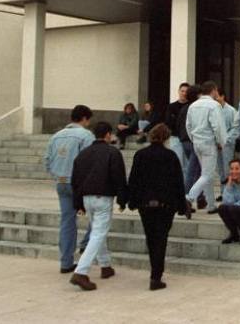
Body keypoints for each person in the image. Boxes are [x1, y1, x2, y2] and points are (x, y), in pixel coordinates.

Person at [126, 123, 186, 291]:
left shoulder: (140, 155)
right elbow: (178, 182)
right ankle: (156, 275)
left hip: (145, 205)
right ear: (166, 138)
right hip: (165, 205)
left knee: (151, 237)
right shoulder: (170, 156)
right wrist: (182, 205)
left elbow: (134, 180)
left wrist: (131, 201)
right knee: (161, 238)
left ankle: (155, 271)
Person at [69, 121, 129, 291]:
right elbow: (119, 177)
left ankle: (105, 265)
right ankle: (81, 272)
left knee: (97, 230)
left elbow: (76, 180)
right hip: (103, 197)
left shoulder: (83, 154)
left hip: (86, 198)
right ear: (108, 134)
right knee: (98, 233)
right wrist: (122, 199)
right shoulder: (113, 152)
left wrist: (78, 203)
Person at [43, 104, 94, 274]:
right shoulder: (86, 135)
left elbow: (47, 160)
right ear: (85, 118)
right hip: (79, 183)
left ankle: (66, 262)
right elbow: (89, 160)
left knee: (67, 221)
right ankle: (86, 244)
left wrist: (58, 174)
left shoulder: (56, 136)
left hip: (61, 181)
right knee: (96, 215)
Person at [185, 81, 227, 214]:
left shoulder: (193, 106)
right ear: (213, 90)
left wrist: (193, 139)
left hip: (197, 143)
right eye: (216, 91)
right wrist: (221, 142)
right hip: (209, 143)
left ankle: (211, 205)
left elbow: (188, 126)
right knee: (207, 175)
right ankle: (189, 198)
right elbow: (218, 127)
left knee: (206, 174)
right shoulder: (214, 105)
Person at [216, 90, 240, 186]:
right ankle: (223, 191)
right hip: (216, 143)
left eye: (217, 96)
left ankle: (230, 190)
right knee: (220, 169)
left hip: (227, 143)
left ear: (222, 96)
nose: (215, 99)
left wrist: (225, 140)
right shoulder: (213, 110)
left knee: (228, 168)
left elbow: (235, 128)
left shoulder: (231, 111)